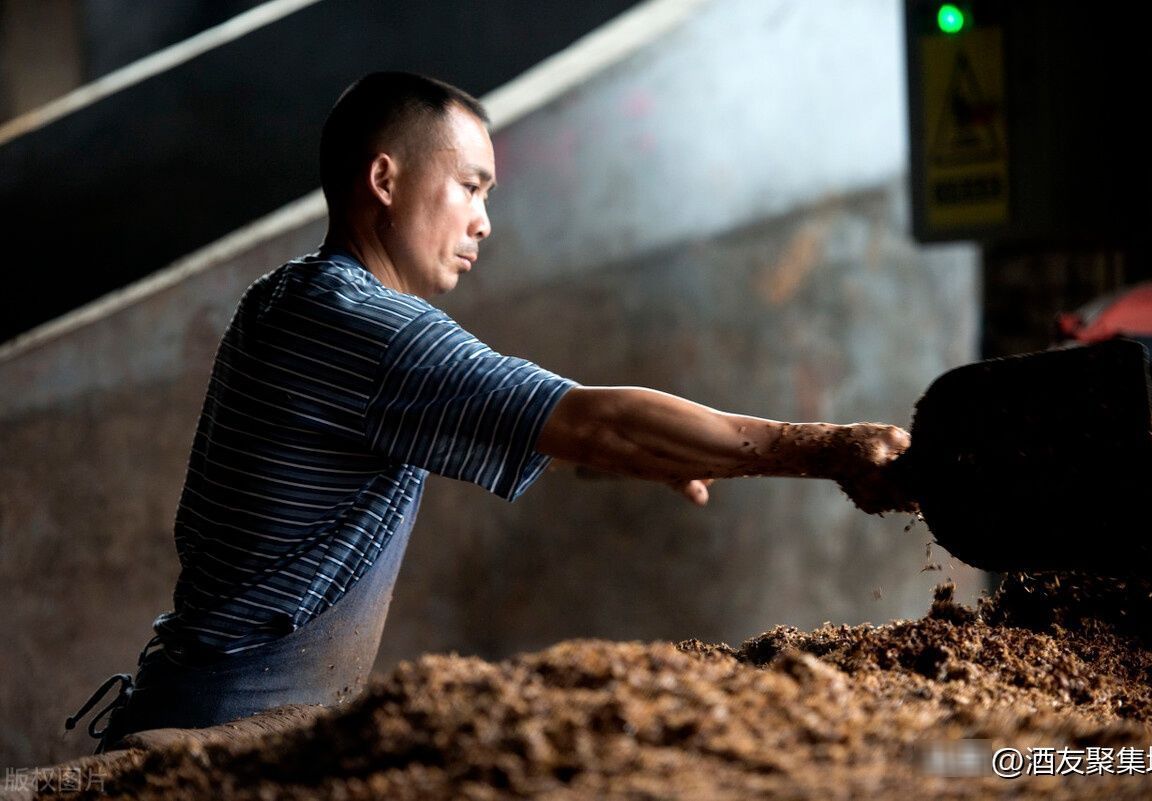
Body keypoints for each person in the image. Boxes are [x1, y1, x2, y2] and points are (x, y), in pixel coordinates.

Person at [65, 72, 913, 753]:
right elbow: (588, 419)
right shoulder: (367, 329)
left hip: (206, 710)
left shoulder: (284, 296)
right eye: (469, 186)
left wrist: (644, 451)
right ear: (386, 178)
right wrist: (833, 448)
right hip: (214, 741)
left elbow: (552, 434)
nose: (484, 220)